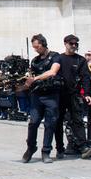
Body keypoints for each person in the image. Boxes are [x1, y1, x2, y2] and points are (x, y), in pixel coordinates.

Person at [22, 34, 62, 163]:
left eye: (37, 47)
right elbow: (30, 76)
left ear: (43, 44)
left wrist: (36, 78)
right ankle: (31, 147)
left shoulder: (56, 56)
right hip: (37, 95)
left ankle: (46, 151)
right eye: (34, 47)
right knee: (33, 122)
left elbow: (52, 72)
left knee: (50, 124)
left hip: (51, 95)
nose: (36, 49)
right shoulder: (35, 61)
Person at [54, 35, 91, 159]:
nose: (73, 46)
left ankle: (83, 147)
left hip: (74, 95)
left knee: (77, 121)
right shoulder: (59, 58)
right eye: (71, 43)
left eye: (76, 44)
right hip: (60, 95)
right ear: (65, 43)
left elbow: (85, 78)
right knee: (58, 122)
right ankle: (60, 148)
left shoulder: (80, 60)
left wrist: (86, 94)